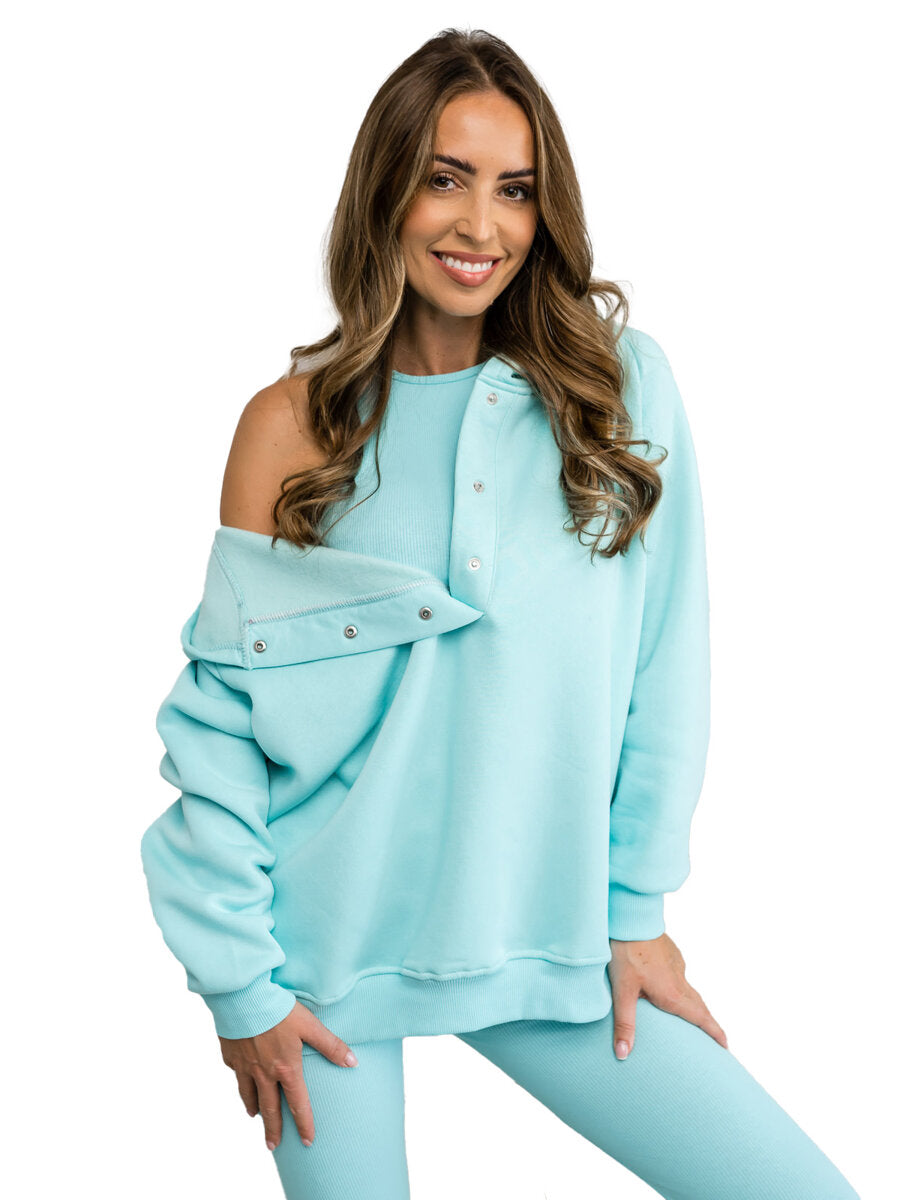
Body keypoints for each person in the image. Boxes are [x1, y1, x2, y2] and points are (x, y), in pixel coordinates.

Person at [139, 27, 860, 1200]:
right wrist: (241, 988)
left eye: (515, 190)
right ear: (386, 191)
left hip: (555, 934)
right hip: (321, 956)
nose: (482, 225)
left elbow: (666, 668)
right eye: (446, 178)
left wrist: (636, 910)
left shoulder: (617, 390)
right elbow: (222, 726)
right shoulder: (291, 426)